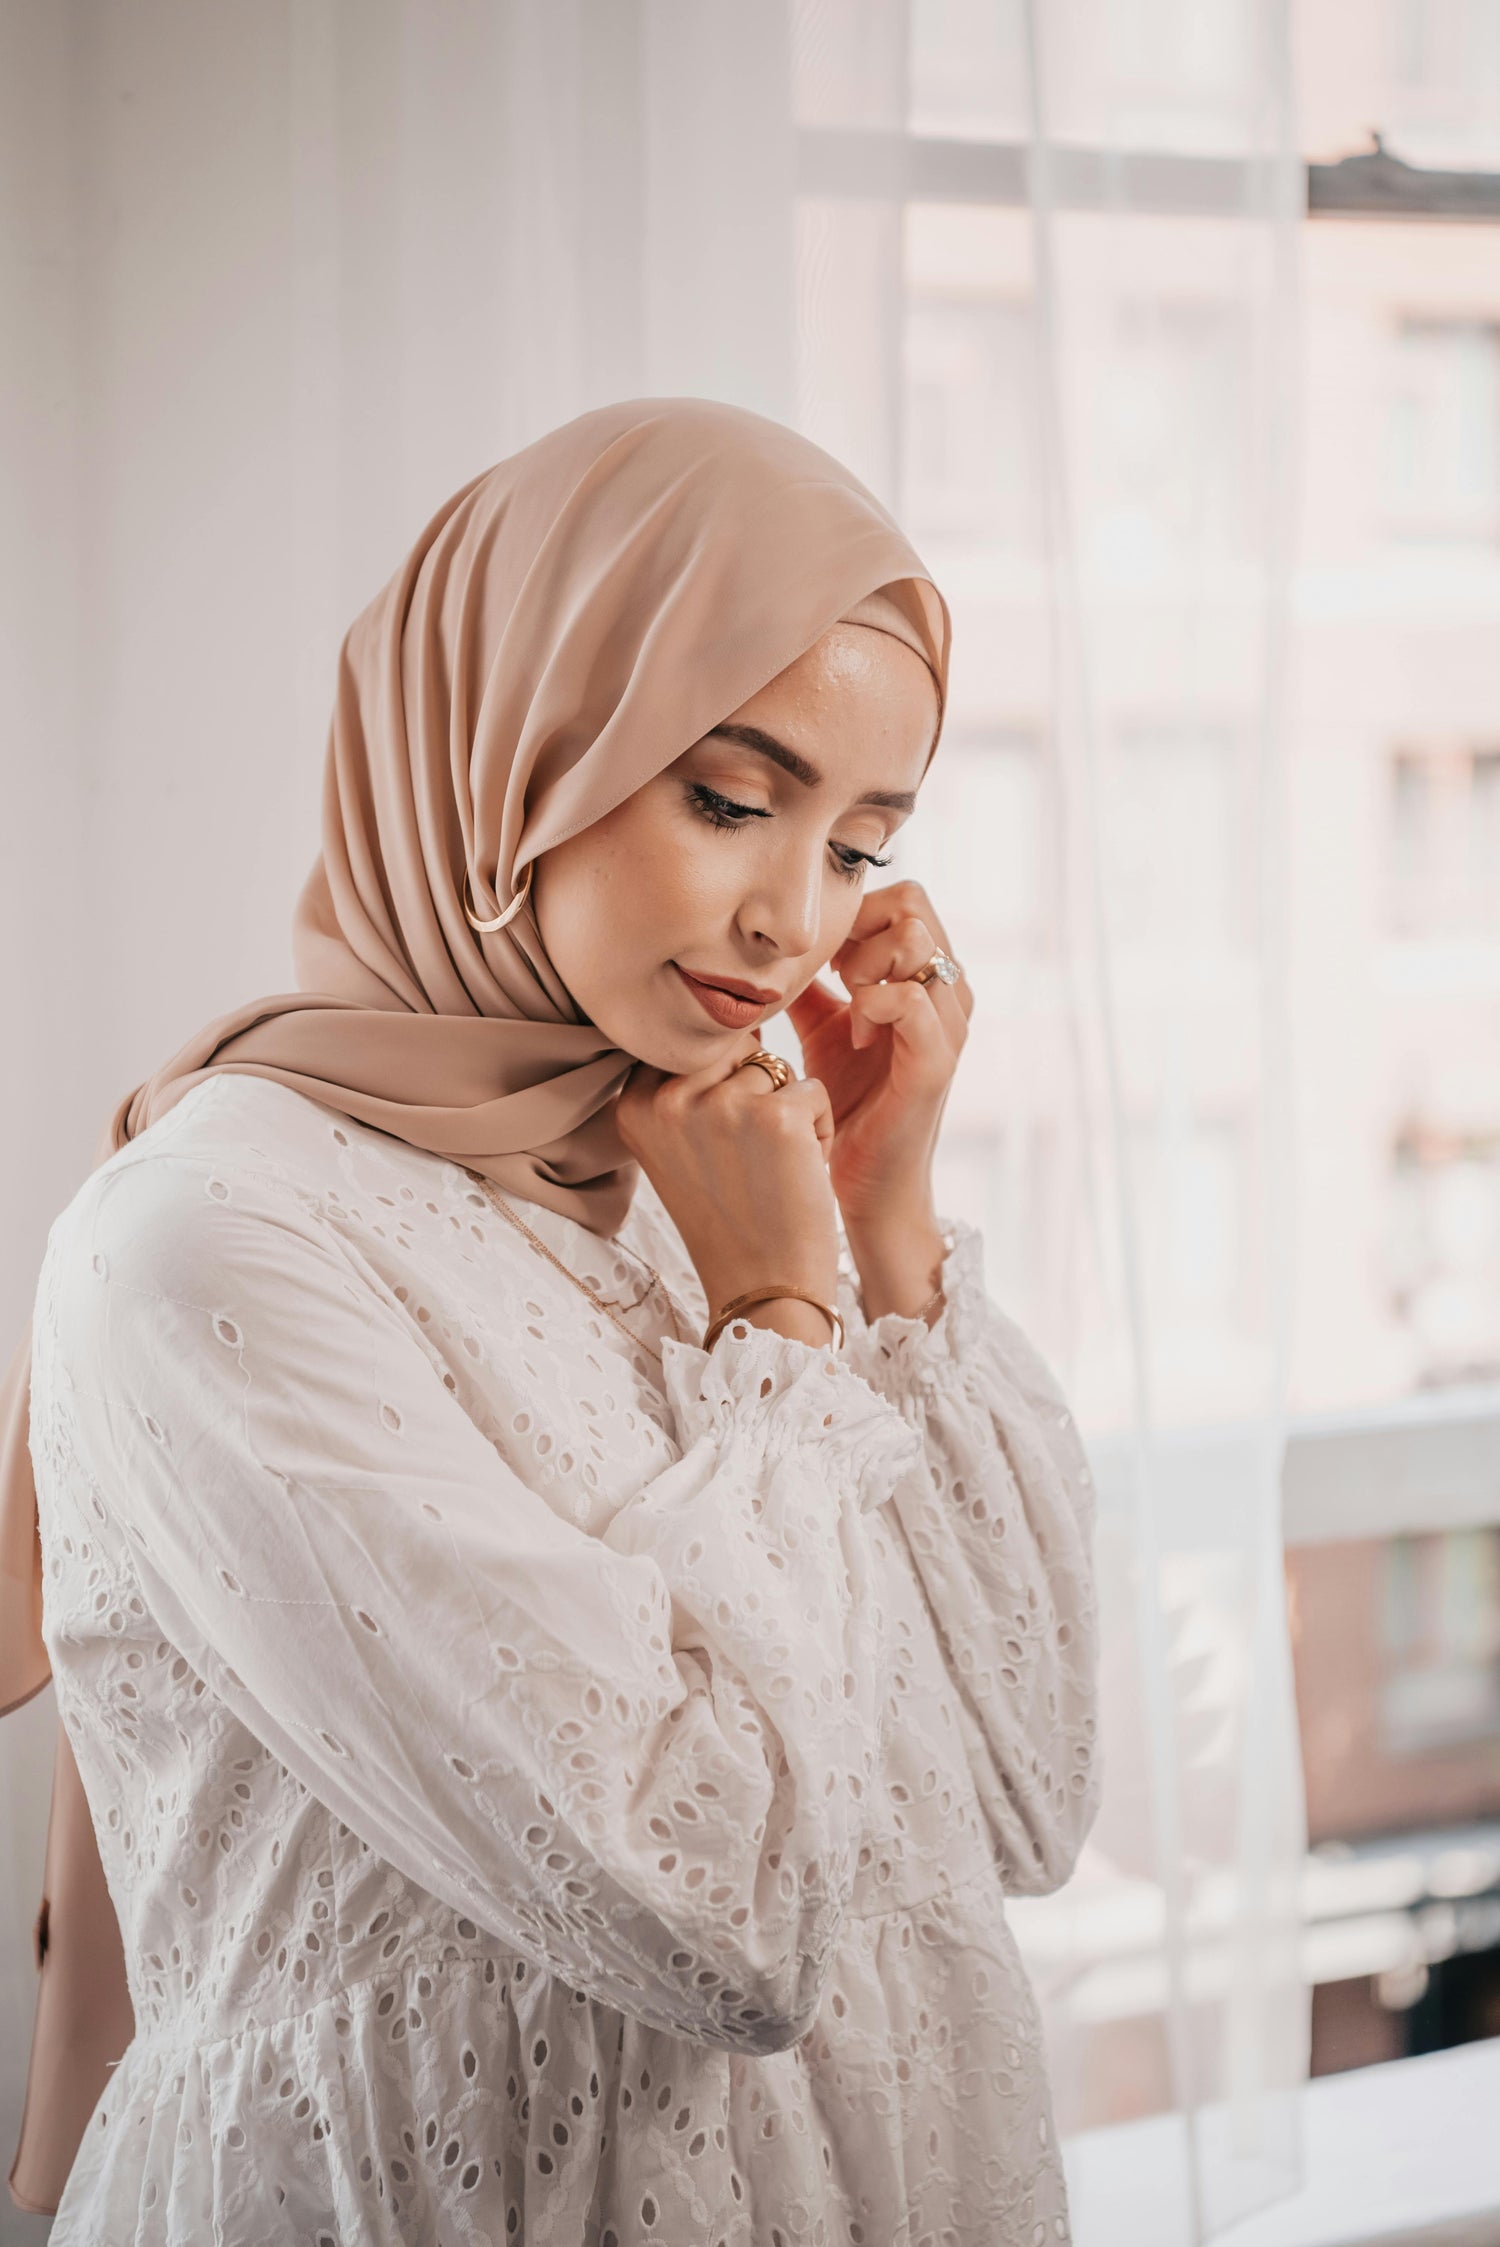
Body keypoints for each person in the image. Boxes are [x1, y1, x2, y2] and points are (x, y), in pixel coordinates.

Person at [0, 395, 1100, 2244]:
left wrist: (881, 1222)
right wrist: (777, 1320)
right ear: (506, 746)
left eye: (857, 845)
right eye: (733, 800)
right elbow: (729, 1916)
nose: (788, 921)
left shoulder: (707, 1167)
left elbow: (1024, 1795)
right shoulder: (211, 1243)